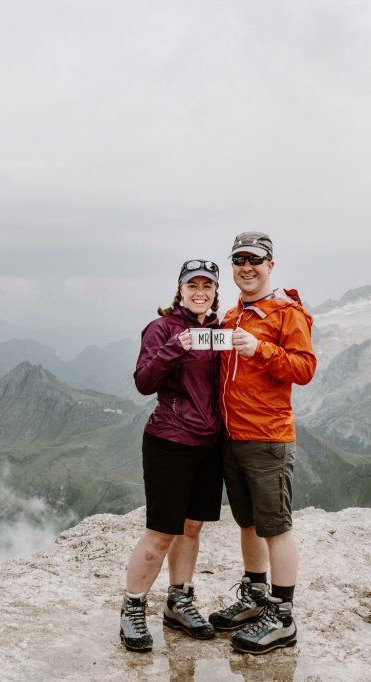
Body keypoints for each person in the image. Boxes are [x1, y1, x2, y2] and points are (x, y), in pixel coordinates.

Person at [206, 231, 317, 655]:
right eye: (238, 260)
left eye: (254, 260)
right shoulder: (233, 313)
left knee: (276, 527)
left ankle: (283, 617)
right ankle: (255, 599)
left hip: (268, 438)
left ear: (270, 264)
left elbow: (304, 368)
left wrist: (261, 350)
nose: (246, 267)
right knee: (248, 522)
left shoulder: (288, 313)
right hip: (233, 437)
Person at [119, 259, 226, 652]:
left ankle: (179, 602)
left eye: (207, 286)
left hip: (210, 445)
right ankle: (132, 607)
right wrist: (173, 348)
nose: (200, 292)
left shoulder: (220, 331)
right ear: (179, 290)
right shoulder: (162, 328)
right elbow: (144, 381)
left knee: (192, 528)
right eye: (193, 285)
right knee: (162, 531)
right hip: (170, 442)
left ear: (216, 292)